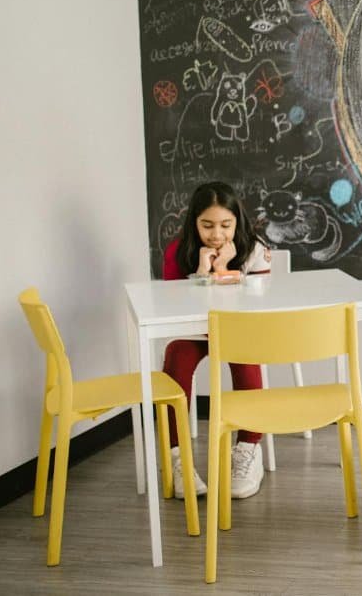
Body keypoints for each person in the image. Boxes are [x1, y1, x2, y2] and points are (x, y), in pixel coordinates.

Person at [162, 181, 272, 500]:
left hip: (239, 329)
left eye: (226, 225)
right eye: (207, 225)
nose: (216, 235)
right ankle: (177, 457)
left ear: (237, 222)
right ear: (193, 223)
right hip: (194, 331)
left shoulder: (255, 251)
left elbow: (257, 308)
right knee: (176, 360)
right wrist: (200, 272)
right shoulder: (176, 252)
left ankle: (249, 447)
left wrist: (223, 269)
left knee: (246, 358)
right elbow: (173, 309)